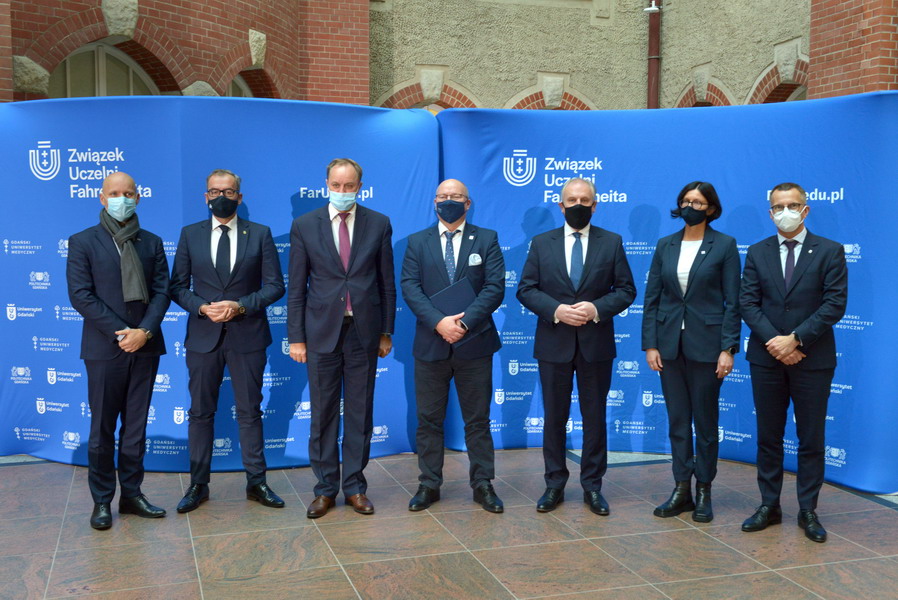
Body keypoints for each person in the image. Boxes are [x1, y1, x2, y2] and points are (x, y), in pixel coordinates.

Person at [517, 177, 636, 515]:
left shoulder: (611, 242)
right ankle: (554, 484)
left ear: (595, 206)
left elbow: (626, 290)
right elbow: (526, 289)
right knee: (554, 417)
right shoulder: (542, 243)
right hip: (553, 343)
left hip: (595, 345)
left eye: (585, 200)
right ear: (561, 205)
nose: (578, 205)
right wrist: (556, 310)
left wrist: (596, 309)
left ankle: (592, 486)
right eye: (572, 200)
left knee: (594, 417)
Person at [170, 169, 286, 513]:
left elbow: (275, 286)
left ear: (239, 196)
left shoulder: (260, 234)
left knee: (250, 411)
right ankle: (198, 484)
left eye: (229, 191)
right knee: (200, 412)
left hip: (247, 335)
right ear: (206, 196)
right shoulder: (190, 234)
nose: (221, 197)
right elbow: (177, 286)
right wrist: (202, 307)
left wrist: (240, 306)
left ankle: (257, 482)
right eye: (215, 191)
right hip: (203, 337)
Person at [288, 158, 396, 518]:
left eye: (349, 186)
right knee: (322, 414)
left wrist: (386, 331)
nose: (342, 191)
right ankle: (324, 489)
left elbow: (386, 284)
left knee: (360, 413)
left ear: (359, 187)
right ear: (327, 185)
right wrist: (296, 338)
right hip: (321, 333)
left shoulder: (378, 223)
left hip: (364, 333)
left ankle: (354, 487)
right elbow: (297, 288)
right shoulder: (305, 225)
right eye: (336, 185)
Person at [740, 182, 848, 543]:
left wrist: (796, 339)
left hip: (812, 359)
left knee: (811, 438)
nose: (785, 212)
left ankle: (808, 510)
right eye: (778, 207)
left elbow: (834, 304)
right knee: (768, 436)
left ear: (805, 209)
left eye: (792, 205)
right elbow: (748, 302)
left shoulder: (830, 251)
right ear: (770, 211)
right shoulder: (757, 252)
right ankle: (769, 505)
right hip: (767, 358)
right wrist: (777, 343)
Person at [66, 171, 171, 530]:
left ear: (138, 198)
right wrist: (121, 333)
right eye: (114, 193)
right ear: (102, 198)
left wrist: (144, 331)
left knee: (136, 428)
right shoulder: (83, 241)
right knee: (102, 430)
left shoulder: (152, 242)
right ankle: (101, 501)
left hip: (146, 346)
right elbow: (81, 294)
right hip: (104, 349)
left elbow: (162, 291)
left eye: (127, 193)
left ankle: (132, 495)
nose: (121, 199)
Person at [400, 179, 505, 513]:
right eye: (443, 196)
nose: (449, 201)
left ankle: (483, 484)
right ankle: (429, 484)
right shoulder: (417, 242)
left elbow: (494, 287)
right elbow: (410, 287)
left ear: (468, 203)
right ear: (434, 202)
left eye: (456, 196)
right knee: (429, 420)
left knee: (478, 420)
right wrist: (439, 322)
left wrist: (463, 323)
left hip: (474, 343)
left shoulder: (486, 238)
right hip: (431, 344)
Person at [642, 181, 741, 523]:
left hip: (708, 347)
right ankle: (681, 488)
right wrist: (651, 344)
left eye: (698, 202)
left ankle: (704, 491)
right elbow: (652, 298)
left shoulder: (724, 245)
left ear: (711, 208)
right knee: (678, 421)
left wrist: (728, 348)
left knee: (706, 423)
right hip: (669, 347)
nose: (690, 207)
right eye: (686, 201)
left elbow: (733, 302)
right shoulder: (665, 244)